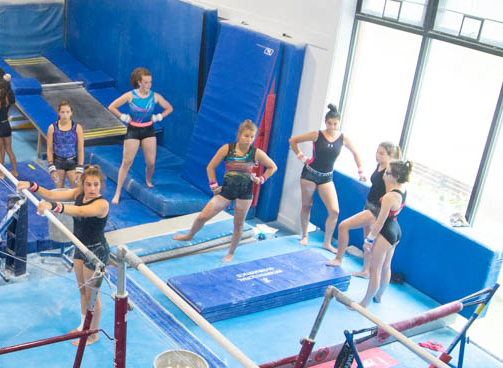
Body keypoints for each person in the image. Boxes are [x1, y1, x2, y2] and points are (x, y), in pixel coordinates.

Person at [21, 165, 111, 343]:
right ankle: (83, 326)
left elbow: (81, 211)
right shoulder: (78, 194)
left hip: (96, 251)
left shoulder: (101, 204)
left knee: (93, 295)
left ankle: (93, 333)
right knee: (83, 291)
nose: (93, 189)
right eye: (89, 185)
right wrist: (32, 186)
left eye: (96, 185)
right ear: (83, 185)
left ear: (101, 185)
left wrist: (52, 207)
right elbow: (52, 194)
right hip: (80, 246)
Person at [174, 119, 278, 262]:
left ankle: (231, 252)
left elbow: (273, 167)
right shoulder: (227, 149)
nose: (249, 140)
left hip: (245, 193)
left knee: (238, 224)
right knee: (202, 217)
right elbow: (210, 167)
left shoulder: (256, 153)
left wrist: (261, 179)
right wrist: (213, 186)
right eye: (246, 136)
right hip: (226, 190)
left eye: (252, 137)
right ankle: (190, 235)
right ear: (239, 135)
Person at [291, 105, 366, 248]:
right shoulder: (316, 135)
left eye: (335, 124)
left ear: (339, 123)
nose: (332, 127)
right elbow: (293, 140)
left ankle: (327, 242)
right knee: (307, 205)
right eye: (329, 123)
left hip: (326, 177)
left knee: (334, 210)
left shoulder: (343, 139)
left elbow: (355, 153)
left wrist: (361, 171)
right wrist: (302, 157)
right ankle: (305, 235)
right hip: (310, 174)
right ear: (325, 122)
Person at [328, 141, 402, 273]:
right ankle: (366, 271)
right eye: (377, 152)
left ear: (390, 156)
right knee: (367, 240)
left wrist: (380, 215)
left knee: (343, 226)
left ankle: (338, 259)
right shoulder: (380, 165)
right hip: (369, 205)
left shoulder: (388, 172)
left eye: (381, 153)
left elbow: (390, 195)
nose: (377, 155)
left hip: (375, 210)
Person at [107, 68, 173, 204]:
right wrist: (123, 117)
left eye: (150, 82)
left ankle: (148, 180)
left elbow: (169, 108)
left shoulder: (155, 97)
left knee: (151, 162)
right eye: (146, 82)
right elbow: (112, 106)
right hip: (133, 131)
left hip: (148, 130)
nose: (149, 85)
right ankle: (118, 192)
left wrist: (159, 116)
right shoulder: (130, 96)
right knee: (126, 162)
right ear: (139, 82)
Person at [361, 159, 411, 306]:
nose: (384, 175)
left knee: (374, 269)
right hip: (396, 230)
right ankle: (379, 296)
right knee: (386, 266)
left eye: (387, 172)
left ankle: (365, 302)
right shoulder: (404, 189)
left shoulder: (389, 197)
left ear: (395, 177)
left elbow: (380, 221)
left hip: (386, 231)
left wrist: (369, 239)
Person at [45, 99, 83, 189]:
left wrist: (80, 168)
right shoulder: (52, 128)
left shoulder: (77, 128)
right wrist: (51, 166)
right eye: (62, 112)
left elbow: (80, 149)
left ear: (71, 113)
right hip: (58, 162)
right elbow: (49, 149)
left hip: (72, 162)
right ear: (58, 113)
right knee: (59, 190)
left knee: (77, 189)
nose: (65, 115)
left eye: (67, 112)